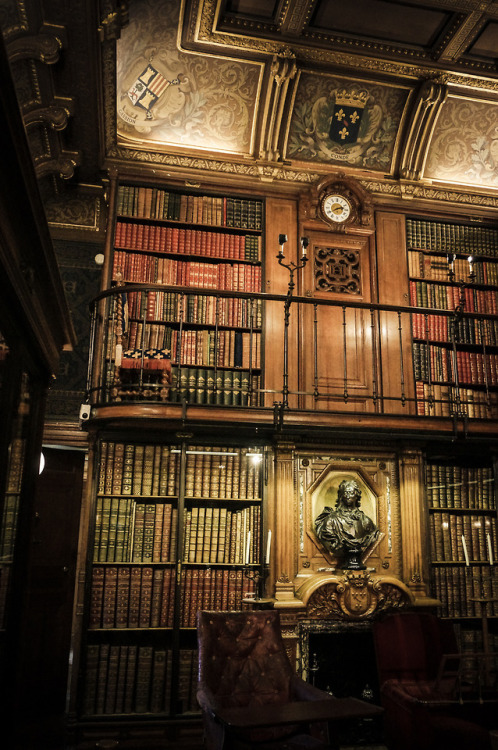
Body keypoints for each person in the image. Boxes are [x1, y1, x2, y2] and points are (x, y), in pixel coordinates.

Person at [315, 478, 380, 569]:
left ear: (357, 495)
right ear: (341, 496)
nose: (348, 496)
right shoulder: (331, 520)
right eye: (345, 493)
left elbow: (373, 534)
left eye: (351, 492)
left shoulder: (366, 521)